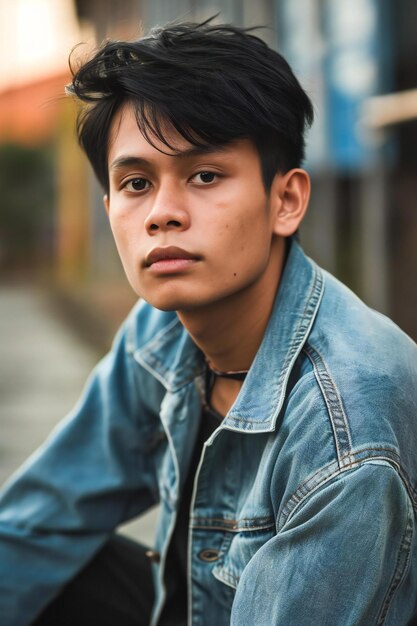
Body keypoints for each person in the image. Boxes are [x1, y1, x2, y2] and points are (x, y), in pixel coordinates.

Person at [0, 18, 417, 626]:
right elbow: (40, 521)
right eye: (136, 182)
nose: (163, 214)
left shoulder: (346, 435)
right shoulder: (160, 330)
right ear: (110, 206)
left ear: (286, 200)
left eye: (204, 176)